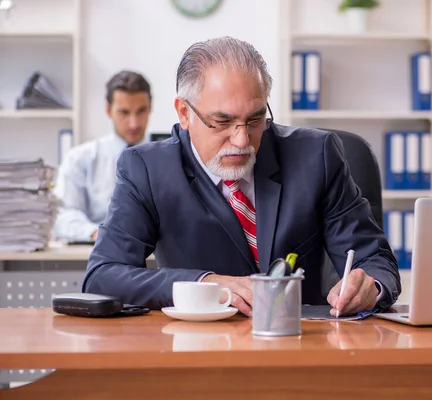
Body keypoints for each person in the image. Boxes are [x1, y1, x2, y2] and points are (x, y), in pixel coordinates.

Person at [83, 37, 401, 317]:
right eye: (222, 121)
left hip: (302, 344)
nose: (242, 140)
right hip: (198, 350)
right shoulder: (147, 168)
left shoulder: (317, 154)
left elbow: (375, 261)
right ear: (184, 113)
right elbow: (103, 275)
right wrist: (206, 284)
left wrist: (370, 286)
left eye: (255, 118)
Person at [53, 70, 152, 242]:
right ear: (108, 110)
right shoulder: (80, 159)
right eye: (124, 112)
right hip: (98, 253)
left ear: (150, 108)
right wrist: (99, 234)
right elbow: (64, 215)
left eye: (141, 111)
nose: (134, 123)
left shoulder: (167, 158)